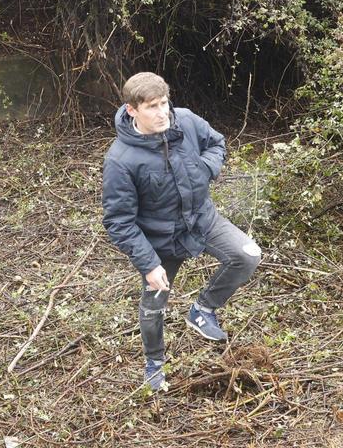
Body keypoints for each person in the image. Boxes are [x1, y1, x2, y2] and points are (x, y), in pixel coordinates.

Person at [101, 72, 261, 392]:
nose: (162, 113)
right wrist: (148, 264)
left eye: (164, 103)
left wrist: (205, 168)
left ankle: (203, 309)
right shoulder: (121, 160)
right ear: (132, 110)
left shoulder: (184, 121)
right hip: (160, 240)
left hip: (202, 219)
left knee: (248, 255)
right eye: (152, 107)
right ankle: (154, 364)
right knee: (153, 305)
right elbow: (119, 221)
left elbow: (216, 142)